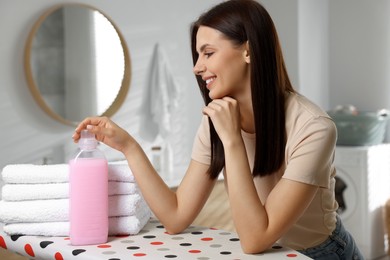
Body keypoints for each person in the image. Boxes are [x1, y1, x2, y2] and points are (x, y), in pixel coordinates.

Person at [73, 0, 363, 259]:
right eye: (197, 55)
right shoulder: (217, 118)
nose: (197, 67)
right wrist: (128, 146)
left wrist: (232, 140)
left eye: (208, 53)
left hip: (320, 253)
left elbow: (255, 238)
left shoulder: (314, 128)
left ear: (248, 51)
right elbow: (176, 216)